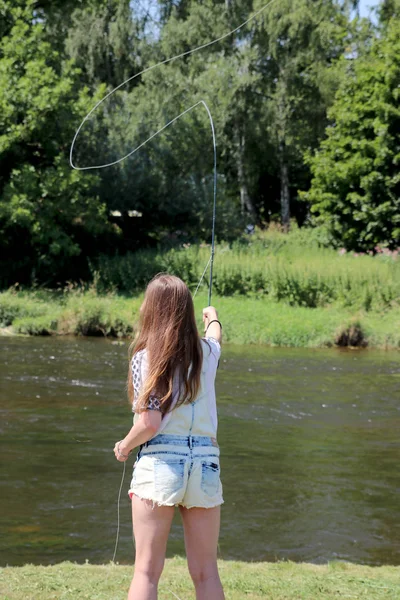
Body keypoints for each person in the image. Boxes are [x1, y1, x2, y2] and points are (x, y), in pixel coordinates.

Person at [113, 274, 225, 600]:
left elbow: (149, 423)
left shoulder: (144, 358)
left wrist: (124, 445)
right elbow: (215, 336)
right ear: (186, 309)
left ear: (153, 310)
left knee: (147, 571)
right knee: (206, 574)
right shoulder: (208, 353)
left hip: (160, 463)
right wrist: (213, 316)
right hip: (205, 465)